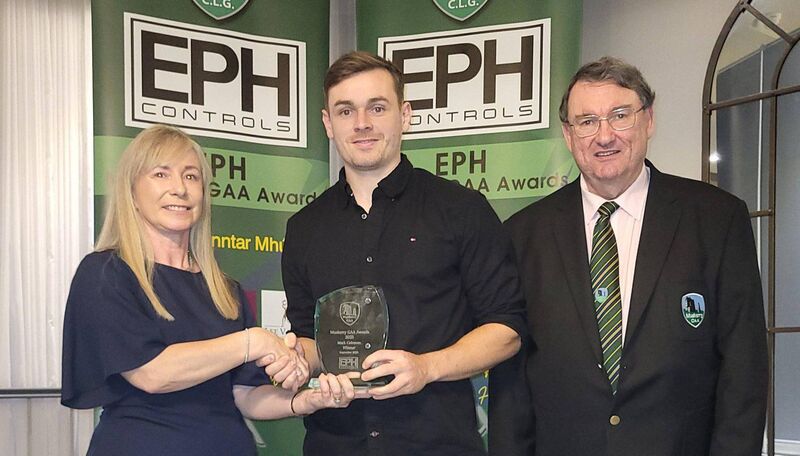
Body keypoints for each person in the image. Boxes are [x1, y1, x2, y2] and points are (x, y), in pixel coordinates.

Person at [488, 57, 768, 456]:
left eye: (620, 116)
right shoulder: (522, 234)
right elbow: (512, 383)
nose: (604, 136)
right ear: (568, 135)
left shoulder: (716, 218)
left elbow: (745, 368)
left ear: (648, 120)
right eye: (586, 122)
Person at [281, 51, 526, 455]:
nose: (361, 124)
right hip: (335, 444)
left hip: (438, 443)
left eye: (377, 107)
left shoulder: (461, 210)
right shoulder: (304, 228)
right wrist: (295, 360)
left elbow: (507, 330)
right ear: (327, 123)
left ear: (405, 114)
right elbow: (311, 342)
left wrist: (426, 368)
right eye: (345, 111)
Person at [61, 124, 355, 456]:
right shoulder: (106, 273)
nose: (179, 189)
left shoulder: (224, 290)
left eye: (191, 176)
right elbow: (152, 374)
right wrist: (252, 342)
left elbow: (245, 396)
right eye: (161, 174)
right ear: (132, 191)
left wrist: (304, 400)